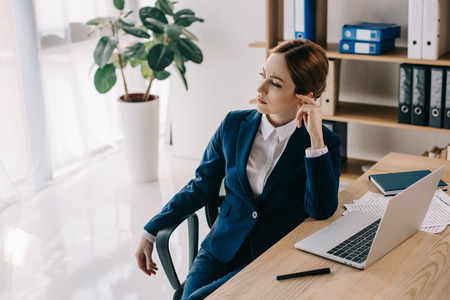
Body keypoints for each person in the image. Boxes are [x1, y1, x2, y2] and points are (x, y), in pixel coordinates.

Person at [135, 39, 341, 299]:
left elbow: (321, 210)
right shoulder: (233, 124)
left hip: (270, 259)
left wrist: (315, 140)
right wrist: (151, 229)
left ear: (305, 95)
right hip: (219, 249)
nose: (260, 88)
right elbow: (201, 185)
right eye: (262, 75)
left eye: (275, 83)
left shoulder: (324, 144)